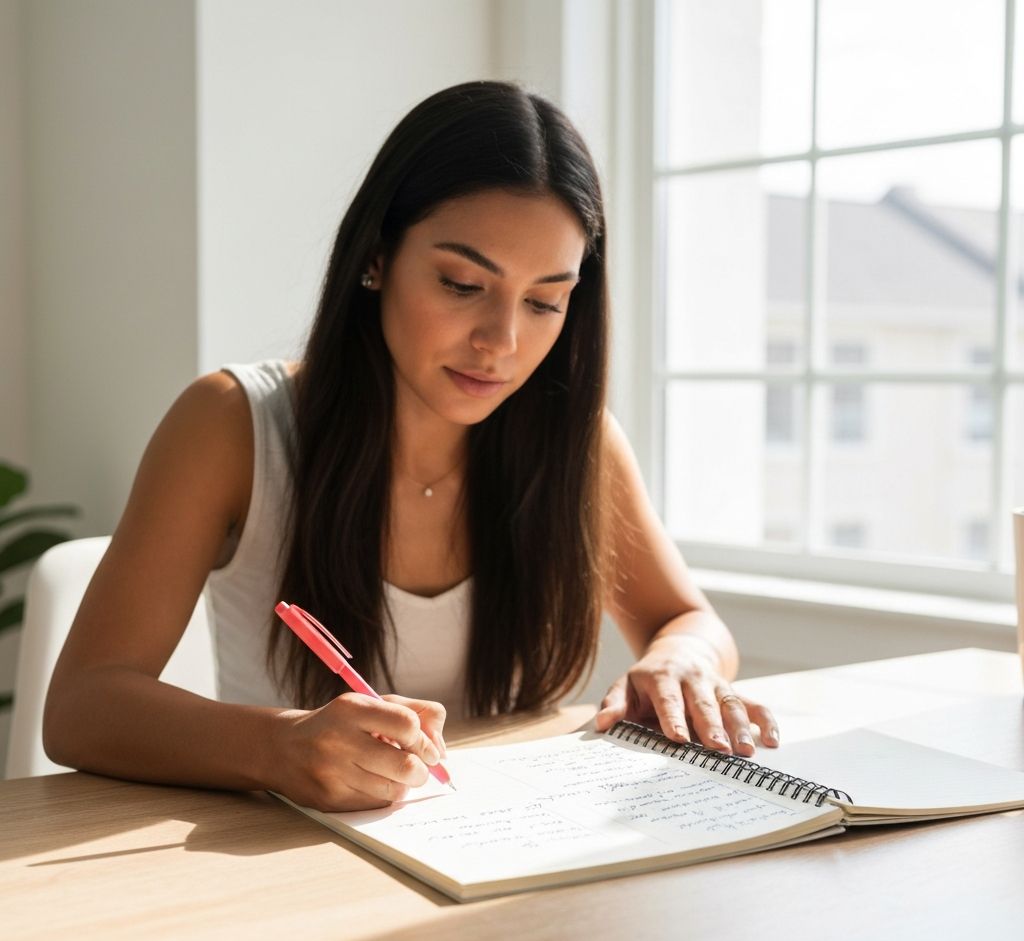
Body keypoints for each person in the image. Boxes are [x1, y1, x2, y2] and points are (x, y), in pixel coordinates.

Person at [43, 80, 778, 812]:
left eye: (545, 300)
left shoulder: (575, 443)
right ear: (375, 257)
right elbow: (82, 705)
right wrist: (281, 746)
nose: (502, 342)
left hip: (513, 848)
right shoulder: (233, 424)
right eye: (462, 284)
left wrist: (682, 660)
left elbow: (688, 620)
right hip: (285, 859)